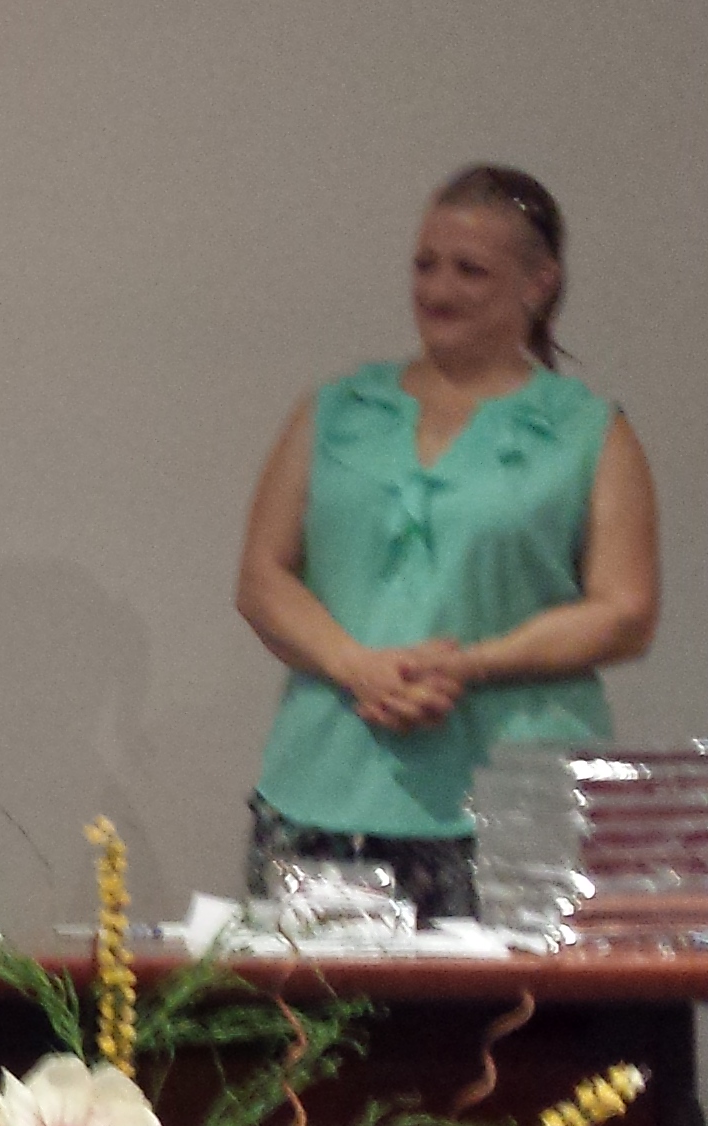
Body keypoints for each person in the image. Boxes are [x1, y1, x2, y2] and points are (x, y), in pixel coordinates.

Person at [234, 164, 662, 919]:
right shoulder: (335, 411)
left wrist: (469, 664)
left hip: (520, 805)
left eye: (470, 270)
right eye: (425, 264)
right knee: (318, 998)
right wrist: (357, 666)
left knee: (514, 1000)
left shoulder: (590, 433)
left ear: (538, 284)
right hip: (325, 788)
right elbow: (263, 577)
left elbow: (625, 612)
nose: (438, 289)